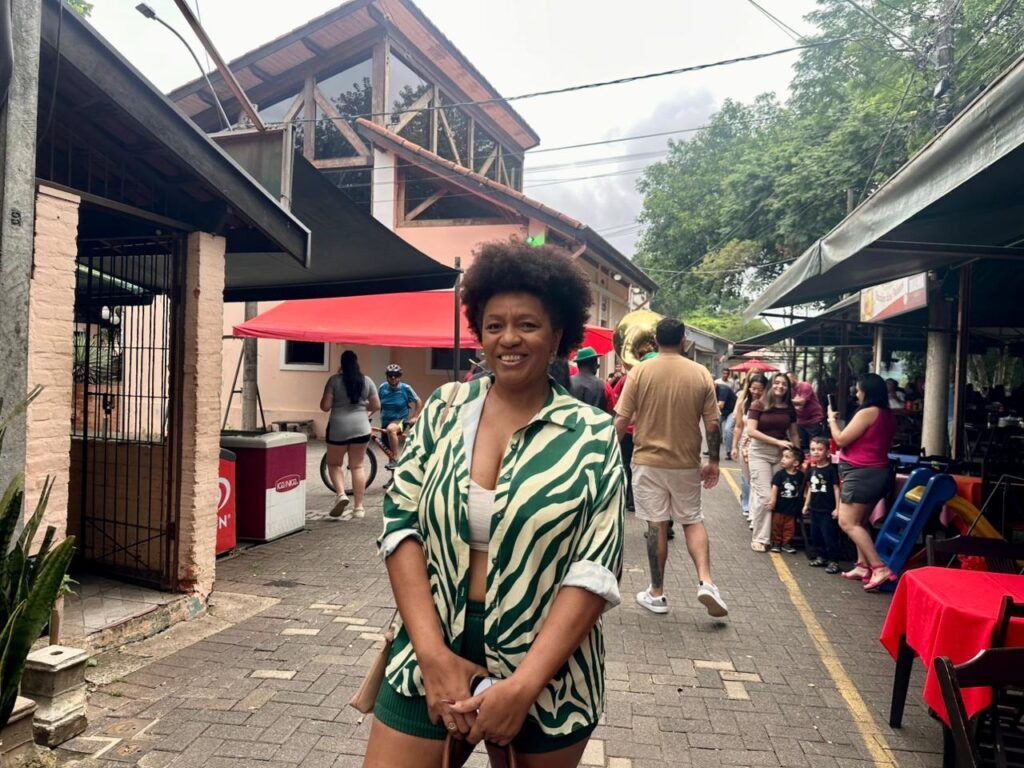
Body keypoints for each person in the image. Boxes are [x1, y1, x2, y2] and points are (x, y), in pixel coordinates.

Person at [364, 240, 624, 767]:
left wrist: (523, 686)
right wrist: (434, 658)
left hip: (551, 672)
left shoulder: (593, 434)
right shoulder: (443, 409)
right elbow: (399, 526)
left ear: (558, 337)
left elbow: (594, 569)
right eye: (494, 324)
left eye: (527, 324)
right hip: (430, 645)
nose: (509, 338)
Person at [614, 317, 728, 619]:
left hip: (647, 462)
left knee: (656, 525)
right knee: (692, 520)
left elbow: (621, 420)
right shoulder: (701, 373)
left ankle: (657, 592)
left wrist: (610, 454)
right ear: (683, 340)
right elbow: (713, 423)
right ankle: (707, 582)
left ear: (655, 341)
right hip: (686, 462)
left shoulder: (639, 372)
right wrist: (713, 460)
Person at [826, 373, 897, 592]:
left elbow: (841, 440)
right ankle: (862, 565)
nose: (856, 393)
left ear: (866, 391)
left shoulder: (868, 412)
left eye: (858, 389)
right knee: (861, 521)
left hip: (862, 473)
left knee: (847, 522)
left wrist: (831, 421)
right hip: (877, 472)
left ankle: (879, 567)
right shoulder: (887, 414)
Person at [320, 350, 380, 520]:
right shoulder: (367, 381)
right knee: (358, 466)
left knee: (334, 464)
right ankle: (359, 508)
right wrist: (362, 407)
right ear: (356, 363)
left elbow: (325, 406)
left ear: (342, 364)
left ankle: (341, 495)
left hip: (338, 428)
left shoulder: (334, 381)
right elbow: (376, 405)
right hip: (361, 427)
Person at [746, 373, 800, 552]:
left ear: (788, 388)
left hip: (781, 455)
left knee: (779, 495)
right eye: (776, 383)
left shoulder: (789, 408)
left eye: (784, 384)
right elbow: (751, 431)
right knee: (766, 496)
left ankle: (777, 537)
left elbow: (793, 434)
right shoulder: (758, 404)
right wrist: (777, 442)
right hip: (760, 452)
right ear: (771, 385)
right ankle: (761, 538)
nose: (780, 386)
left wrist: (797, 456)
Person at [731, 374, 767, 521]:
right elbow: (739, 427)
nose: (756, 392)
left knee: (758, 479)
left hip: (761, 445)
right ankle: (746, 505)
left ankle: (754, 512)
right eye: (754, 388)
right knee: (747, 478)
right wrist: (734, 446)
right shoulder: (743, 403)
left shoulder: (768, 405)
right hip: (745, 444)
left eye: (760, 389)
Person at [803, 436, 842, 574]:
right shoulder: (812, 470)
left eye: (820, 449)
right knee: (816, 534)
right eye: (813, 449)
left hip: (827, 509)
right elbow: (810, 489)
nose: (816, 452)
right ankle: (821, 556)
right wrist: (806, 505)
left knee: (829, 535)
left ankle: (834, 561)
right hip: (815, 508)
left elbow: (836, 489)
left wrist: (837, 508)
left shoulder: (831, 470)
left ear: (827, 452)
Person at [379, 364, 422, 469]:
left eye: (396, 375)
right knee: (389, 450)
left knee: (391, 430)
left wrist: (414, 417)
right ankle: (393, 478)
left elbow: (418, 401)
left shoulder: (405, 388)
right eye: (390, 375)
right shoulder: (382, 387)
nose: (393, 377)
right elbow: (376, 403)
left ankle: (395, 460)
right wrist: (367, 414)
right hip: (385, 421)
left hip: (401, 421)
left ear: (400, 376)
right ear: (387, 376)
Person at [767, 447, 804, 553]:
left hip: (792, 507)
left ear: (796, 462)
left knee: (790, 527)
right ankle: (776, 542)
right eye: (783, 456)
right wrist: (773, 501)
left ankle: (786, 543)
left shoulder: (800, 476)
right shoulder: (780, 474)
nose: (783, 459)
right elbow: (775, 487)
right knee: (776, 525)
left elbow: (803, 489)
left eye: (787, 457)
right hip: (779, 506)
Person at [570, 346, 616, 413]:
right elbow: (612, 410)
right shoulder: (605, 386)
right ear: (594, 364)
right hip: (598, 422)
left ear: (578, 365)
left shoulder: (567, 383)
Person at [788, 372, 826, 450]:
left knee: (815, 445)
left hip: (813, 420)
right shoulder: (790, 390)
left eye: (788, 379)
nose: (787, 382)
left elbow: (801, 402)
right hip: (800, 421)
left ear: (794, 378)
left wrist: (785, 401)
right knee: (802, 445)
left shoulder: (805, 386)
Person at [716, 371, 737, 458]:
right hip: (724, 411)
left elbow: (720, 405)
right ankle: (712, 449)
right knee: (712, 424)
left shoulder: (723, 389)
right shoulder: (711, 389)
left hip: (733, 410)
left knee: (728, 429)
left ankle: (729, 452)